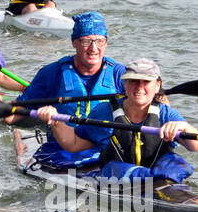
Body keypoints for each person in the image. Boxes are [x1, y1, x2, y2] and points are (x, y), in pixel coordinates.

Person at [7, 12, 126, 168]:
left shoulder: (120, 75)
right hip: (61, 152)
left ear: (106, 43)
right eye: (86, 41)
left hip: (106, 151)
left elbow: (149, 106)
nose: (93, 48)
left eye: (99, 41)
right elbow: (13, 115)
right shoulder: (51, 73)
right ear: (73, 42)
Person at [89, 58, 198, 182]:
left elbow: (196, 146)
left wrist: (184, 127)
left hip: (160, 180)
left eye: (146, 81)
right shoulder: (103, 111)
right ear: (125, 84)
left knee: (175, 164)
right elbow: (75, 145)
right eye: (134, 81)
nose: (139, 87)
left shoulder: (166, 114)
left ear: (157, 85)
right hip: (119, 178)